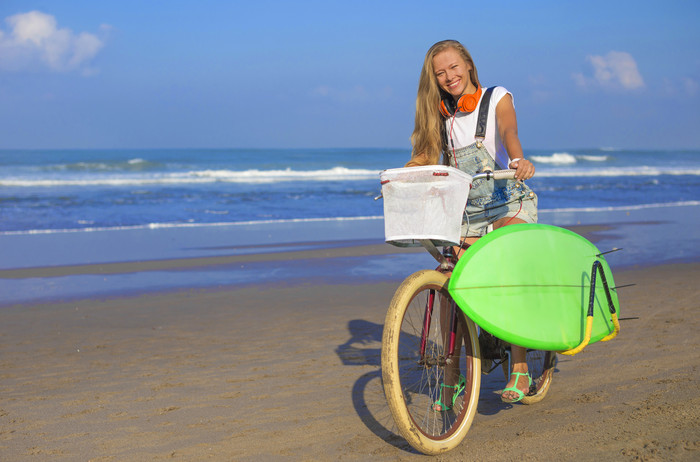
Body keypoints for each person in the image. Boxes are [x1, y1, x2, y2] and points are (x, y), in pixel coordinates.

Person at [406, 39, 538, 405]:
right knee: (454, 287)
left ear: (468, 63)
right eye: (440, 73)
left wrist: (518, 160)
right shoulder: (439, 114)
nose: (449, 77)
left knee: (508, 270)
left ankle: (521, 366)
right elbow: (424, 156)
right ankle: (452, 379)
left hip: (507, 198)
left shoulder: (497, 98)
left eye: (453, 67)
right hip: (468, 212)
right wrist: (403, 176)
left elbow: (510, 132)